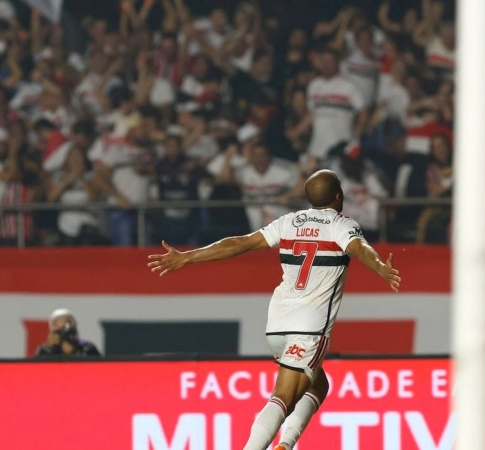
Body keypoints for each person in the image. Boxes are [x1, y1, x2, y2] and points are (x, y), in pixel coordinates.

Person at [148, 170, 401, 450]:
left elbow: (239, 243)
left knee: (318, 386)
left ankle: (285, 445)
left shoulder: (290, 221)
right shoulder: (341, 224)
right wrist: (380, 267)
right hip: (309, 328)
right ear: (339, 196)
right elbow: (361, 248)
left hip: (278, 325)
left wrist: (187, 257)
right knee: (282, 397)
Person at [35, 308, 101, 357]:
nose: (63, 334)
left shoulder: (87, 348)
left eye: (66, 329)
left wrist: (73, 353)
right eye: (59, 330)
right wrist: (48, 348)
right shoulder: (45, 350)